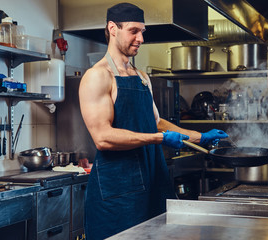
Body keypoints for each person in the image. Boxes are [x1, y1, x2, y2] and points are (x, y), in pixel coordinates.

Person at [79, 2, 228, 239]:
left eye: (142, 32)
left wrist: (200, 136)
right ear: (113, 28)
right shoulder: (98, 76)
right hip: (118, 188)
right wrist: (160, 139)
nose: (140, 38)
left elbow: (157, 122)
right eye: (133, 31)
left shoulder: (141, 77)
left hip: (152, 178)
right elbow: (103, 138)